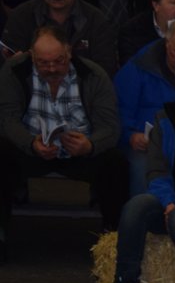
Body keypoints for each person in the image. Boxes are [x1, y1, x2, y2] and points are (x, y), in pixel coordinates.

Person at [0, 25, 126, 237]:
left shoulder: (94, 75)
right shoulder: (14, 71)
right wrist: (30, 143)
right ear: (32, 56)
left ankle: (112, 236)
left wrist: (90, 145)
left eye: (58, 61)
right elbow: (7, 119)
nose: (51, 69)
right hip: (30, 148)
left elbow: (110, 126)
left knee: (115, 162)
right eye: (43, 63)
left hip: (80, 152)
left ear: (69, 52)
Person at [102, 86, 175, 283]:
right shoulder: (164, 119)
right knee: (136, 207)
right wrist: (169, 201)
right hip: (171, 199)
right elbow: (156, 171)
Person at [113, 17, 175, 195]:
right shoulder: (139, 67)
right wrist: (130, 135)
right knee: (142, 172)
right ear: (167, 43)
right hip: (144, 146)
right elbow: (118, 110)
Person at [2, 0, 117, 76]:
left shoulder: (96, 20)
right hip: (31, 86)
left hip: (82, 87)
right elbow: (7, 65)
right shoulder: (21, 16)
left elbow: (105, 71)